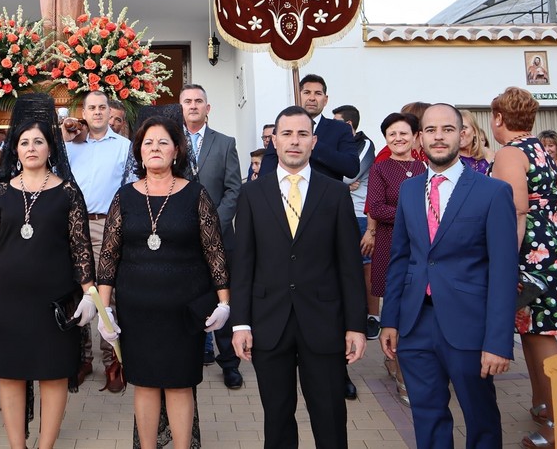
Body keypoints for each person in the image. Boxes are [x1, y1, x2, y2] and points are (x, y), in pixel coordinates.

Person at [380, 103, 518, 449]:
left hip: (469, 325)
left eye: (447, 129)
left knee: (480, 416)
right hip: (415, 323)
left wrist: (498, 341)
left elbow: (503, 271)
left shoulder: (492, 192)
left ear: (463, 134)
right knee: (427, 415)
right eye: (430, 130)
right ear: (419, 139)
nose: (438, 137)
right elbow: (401, 259)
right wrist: (390, 320)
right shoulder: (410, 192)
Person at [231, 106, 366, 449]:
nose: (294, 141)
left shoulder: (334, 193)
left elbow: (349, 266)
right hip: (268, 322)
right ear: (274, 140)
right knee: (276, 416)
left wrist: (355, 326)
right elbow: (243, 263)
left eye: (302, 134)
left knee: (330, 415)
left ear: (314, 141)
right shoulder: (252, 194)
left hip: (323, 321)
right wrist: (240, 324)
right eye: (287, 134)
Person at [0, 93, 96, 449]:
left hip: (53, 302)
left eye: (38, 141)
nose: (31, 147)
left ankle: (45, 445)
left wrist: (89, 294)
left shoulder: (68, 192)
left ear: (51, 147)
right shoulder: (2, 192)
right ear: (15, 149)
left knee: (53, 374)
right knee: (10, 374)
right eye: (24, 142)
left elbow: (81, 247)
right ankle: (17, 445)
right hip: (6, 302)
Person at [96, 115, 230, 448]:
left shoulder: (195, 194)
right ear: (139, 152)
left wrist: (224, 303)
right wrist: (104, 309)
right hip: (137, 309)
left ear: (176, 151)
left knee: (180, 384)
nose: (155, 148)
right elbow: (109, 256)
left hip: (184, 310)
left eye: (163, 143)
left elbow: (214, 251)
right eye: (148, 143)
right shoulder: (124, 197)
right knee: (144, 384)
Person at [488, 88, 557, 449]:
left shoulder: (510, 152)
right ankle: (544, 407)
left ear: (498, 118)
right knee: (532, 331)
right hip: (556, 245)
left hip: (534, 251)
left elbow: (515, 211)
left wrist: (507, 263)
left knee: (542, 335)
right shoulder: (538, 147)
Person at [264, 75, 360, 399]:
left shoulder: (336, 131)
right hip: (286, 220)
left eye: (318, 93)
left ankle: (339, 371)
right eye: (307, 92)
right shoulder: (285, 127)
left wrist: (309, 154)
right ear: (299, 94)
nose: (312, 97)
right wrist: (293, 152)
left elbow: (350, 165)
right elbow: (267, 173)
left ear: (325, 98)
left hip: (325, 216)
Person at [63, 90, 132, 390]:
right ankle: (82, 358)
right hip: (74, 224)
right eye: (91, 108)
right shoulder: (71, 145)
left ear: (109, 111)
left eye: (102, 107)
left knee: (108, 294)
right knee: (77, 292)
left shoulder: (124, 146)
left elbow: (129, 186)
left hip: (108, 224)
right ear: (84, 112)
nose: (97, 112)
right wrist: (64, 139)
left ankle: (111, 361)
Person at [179, 84, 243, 389]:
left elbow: (234, 188)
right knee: (186, 295)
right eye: (188, 101)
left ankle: (229, 361)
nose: (193, 105)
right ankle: (189, 357)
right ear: (181, 107)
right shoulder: (170, 142)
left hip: (218, 234)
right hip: (180, 235)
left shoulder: (226, 143)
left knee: (222, 296)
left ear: (208, 107)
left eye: (199, 101)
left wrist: (212, 221)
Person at [361, 112, 422, 405]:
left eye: (403, 133)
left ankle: (417, 367)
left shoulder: (426, 166)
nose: (398, 139)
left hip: (424, 248)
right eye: (391, 135)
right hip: (391, 244)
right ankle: (400, 372)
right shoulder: (381, 169)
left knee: (420, 308)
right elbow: (376, 206)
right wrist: (415, 214)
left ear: (415, 136)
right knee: (395, 309)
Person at [332, 105, 379, 341]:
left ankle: (373, 318)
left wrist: (338, 180)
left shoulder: (365, 144)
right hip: (339, 211)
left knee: (365, 267)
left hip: (361, 215)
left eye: (336, 121)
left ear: (348, 125)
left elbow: (350, 174)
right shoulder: (338, 144)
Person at [458, 109, 490, 174]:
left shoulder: (488, 155)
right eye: (456, 128)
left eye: (464, 127)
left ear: (475, 131)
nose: (460, 132)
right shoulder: (448, 159)